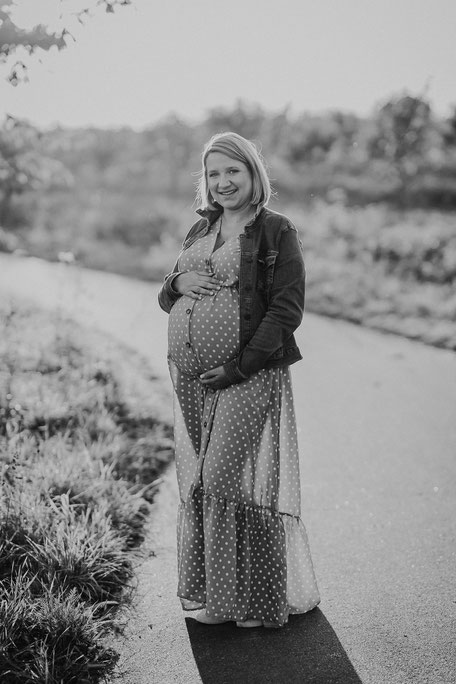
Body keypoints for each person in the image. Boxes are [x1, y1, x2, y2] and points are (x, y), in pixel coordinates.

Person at [158, 131, 320, 628]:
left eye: (234, 171)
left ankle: (258, 599)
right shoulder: (199, 229)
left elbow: (287, 309)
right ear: (204, 181)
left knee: (222, 478)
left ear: (254, 174)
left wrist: (238, 366)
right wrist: (176, 283)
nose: (223, 182)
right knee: (206, 482)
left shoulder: (275, 230)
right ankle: (223, 598)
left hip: (247, 375)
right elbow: (169, 298)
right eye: (214, 173)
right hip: (190, 377)